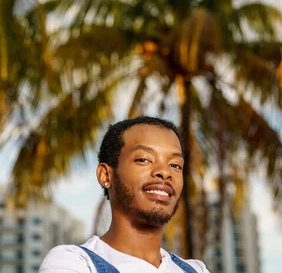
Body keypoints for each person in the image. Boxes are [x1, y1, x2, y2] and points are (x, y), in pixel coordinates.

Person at [40, 116, 210, 273]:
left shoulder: (196, 269)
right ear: (106, 175)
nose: (164, 172)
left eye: (175, 165)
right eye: (144, 159)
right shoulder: (72, 262)